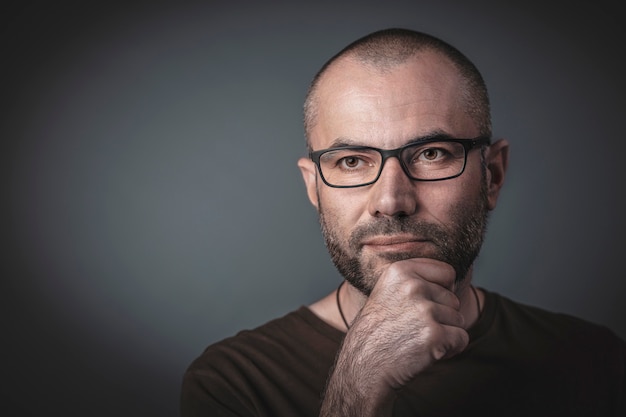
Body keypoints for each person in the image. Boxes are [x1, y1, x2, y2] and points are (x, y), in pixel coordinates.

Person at [180, 28, 625, 416]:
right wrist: (358, 388)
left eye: (432, 154)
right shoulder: (233, 385)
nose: (391, 201)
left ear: (492, 175)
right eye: (351, 161)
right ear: (314, 187)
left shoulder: (594, 361)